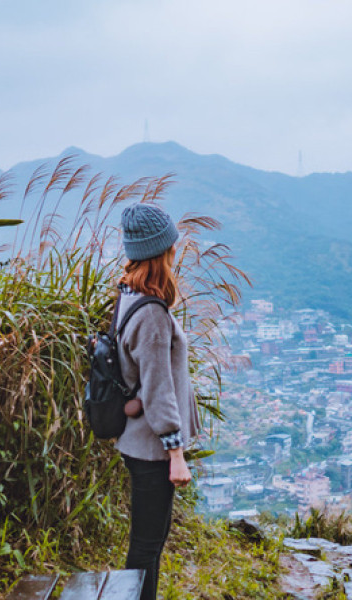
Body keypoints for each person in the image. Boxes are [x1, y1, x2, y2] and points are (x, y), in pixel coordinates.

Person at [113, 201, 202, 600]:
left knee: (149, 544)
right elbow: (158, 388)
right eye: (171, 248)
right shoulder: (150, 315)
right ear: (160, 253)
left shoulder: (130, 295)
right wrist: (176, 453)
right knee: (147, 545)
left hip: (142, 443)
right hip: (152, 449)